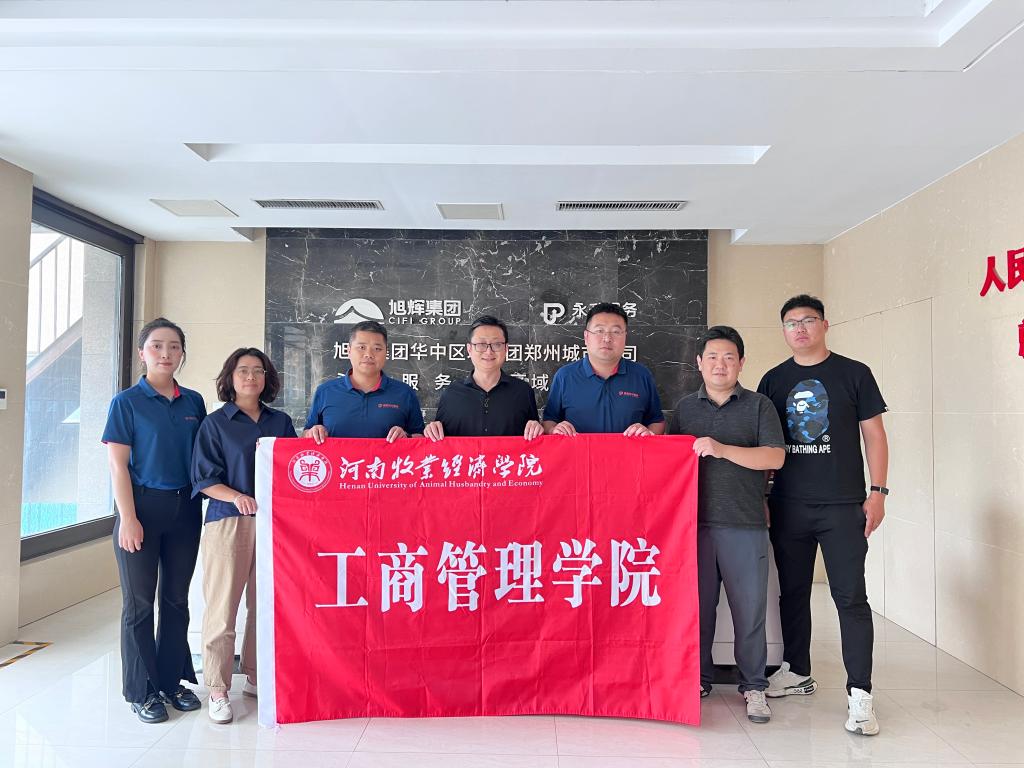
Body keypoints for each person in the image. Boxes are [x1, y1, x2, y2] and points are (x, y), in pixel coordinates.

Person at [757, 294, 889, 736]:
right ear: (783, 330)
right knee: (792, 593)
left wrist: (878, 493)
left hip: (843, 506)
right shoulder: (774, 380)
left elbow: (875, 436)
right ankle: (797, 670)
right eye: (791, 322)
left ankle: (860, 695)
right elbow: (765, 444)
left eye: (808, 320)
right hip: (788, 504)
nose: (800, 329)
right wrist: (763, 496)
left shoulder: (854, 373)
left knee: (850, 598)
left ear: (825, 325)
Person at [670, 326, 785, 724]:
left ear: (741, 362)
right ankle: (698, 679)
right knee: (696, 611)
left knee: (749, 612)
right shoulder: (685, 408)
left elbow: (774, 457)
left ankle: (754, 686)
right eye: (712, 357)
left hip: (744, 524)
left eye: (729, 357)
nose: (720, 365)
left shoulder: (759, 406)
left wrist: (721, 450)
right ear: (699, 363)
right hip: (693, 528)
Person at [102, 318, 206, 723]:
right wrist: (127, 518)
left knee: (176, 601)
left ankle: (170, 682)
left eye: (174, 346)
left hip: (185, 510)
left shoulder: (193, 402)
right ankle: (141, 690)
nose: (166, 354)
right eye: (157, 346)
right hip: (141, 509)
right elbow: (118, 466)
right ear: (142, 353)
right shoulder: (126, 402)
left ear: (182, 354)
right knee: (140, 604)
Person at [191, 348, 296, 724]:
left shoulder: (280, 422)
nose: (251, 377)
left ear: (267, 378)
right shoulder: (215, 424)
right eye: (243, 371)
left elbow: (294, 467)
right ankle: (218, 688)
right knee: (223, 607)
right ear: (230, 378)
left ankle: (254, 674)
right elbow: (204, 479)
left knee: (264, 604)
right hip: (229, 522)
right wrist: (236, 497)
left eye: (258, 371)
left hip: (274, 524)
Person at [542, 302, 665, 436]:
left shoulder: (641, 375)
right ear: (586, 336)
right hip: (577, 450)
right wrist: (554, 430)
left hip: (630, 450)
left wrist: (649, 433)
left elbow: (657, 421)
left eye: (616, 332)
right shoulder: (565, 376)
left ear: (625, 337)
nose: (607, 338)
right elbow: (549, 420)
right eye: (599, 331)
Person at [423, 315, 543, 441]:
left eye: (497, 344)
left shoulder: (523, 392)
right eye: (481, 344)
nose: (488, 351)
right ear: (469, 349)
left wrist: (537, 428)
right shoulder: (451, 394)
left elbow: (535, 443)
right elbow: (440, 443)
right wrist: (433, 430)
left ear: (506, 349)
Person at [304, 320, 425, 443]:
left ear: (386, 353)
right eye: (361, 347)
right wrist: (312, 432)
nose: (368, 354)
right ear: (348, 351)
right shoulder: (325, 392)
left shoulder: (405, 393)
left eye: (377, 348)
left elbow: (422, 438)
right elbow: (305, 435)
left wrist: (407, 436)